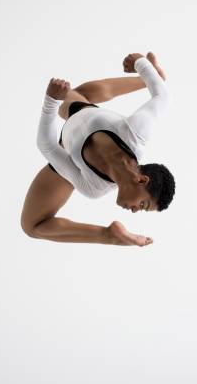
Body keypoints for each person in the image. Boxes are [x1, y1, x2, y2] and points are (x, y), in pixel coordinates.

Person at [20, 52, 175, 247]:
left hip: (68, 155)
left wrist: (51, 100)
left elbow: (48, 146)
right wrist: (140, 64)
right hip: (82, 112)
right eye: (142, 205)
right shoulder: (135, 134)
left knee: (32, 225)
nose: (135, 211)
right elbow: (163, 96)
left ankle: (107, 235)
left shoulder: (93, 187)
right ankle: (149, 77)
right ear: (142, 180)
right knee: (74, 95)